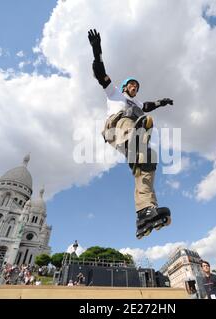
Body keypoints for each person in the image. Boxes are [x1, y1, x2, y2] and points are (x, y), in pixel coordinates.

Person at [88, 28, 173, 239]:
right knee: (137, 119)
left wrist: (163, 101)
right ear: (125, 86)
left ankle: (145, 211)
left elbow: (149, 105)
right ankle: (135, 138)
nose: (134, 88)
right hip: (115, 128)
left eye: (137, 86)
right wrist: (97, 50)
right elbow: (100, 74)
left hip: (129, 139)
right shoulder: (114, 92)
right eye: (132, 85)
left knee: (148, 162)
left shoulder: (138, 102)